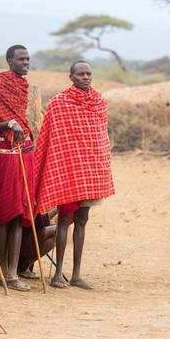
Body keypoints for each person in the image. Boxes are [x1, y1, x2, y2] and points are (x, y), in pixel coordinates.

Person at [33, 60, 114, 290]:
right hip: (67, 172)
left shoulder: (99, 103)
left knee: (82, 221)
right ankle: (58, 273)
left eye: (89, 73)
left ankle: (76, 274)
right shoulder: (59, 103)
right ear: (71, 77)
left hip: (90, 172)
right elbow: (54, 141)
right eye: (80, 74)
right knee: (64, 221)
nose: (85, 77)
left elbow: (100, 138)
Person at [0, 44, 35, 291]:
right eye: (21, 59)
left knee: (21, 214)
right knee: (4, 215)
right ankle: (2, 271)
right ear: (9, 60)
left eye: (28, 59)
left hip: (25, 153)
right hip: (4, 155)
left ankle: (13, 272)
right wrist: (8, 124)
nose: (26, 62)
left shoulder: (22, 87)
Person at [18, 209, 58, 280]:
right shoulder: (30, 203)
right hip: (23, 241)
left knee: (54, 236)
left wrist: (56, 210)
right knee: (57, 231)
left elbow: (41, 222)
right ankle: (23, 266)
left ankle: (25, 265)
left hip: (26, 240)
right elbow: (39, 225)